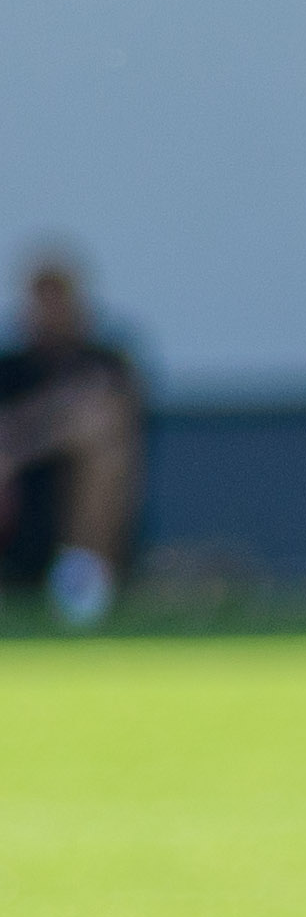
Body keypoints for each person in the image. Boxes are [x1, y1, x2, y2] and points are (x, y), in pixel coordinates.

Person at [0, 247, 147, 631]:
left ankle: (81, 585)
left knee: (102, 440)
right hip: (20, 513)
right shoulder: (11, 369)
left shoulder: (107, 361)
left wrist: (20, 442)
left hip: (76, 524)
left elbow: (107, 413)